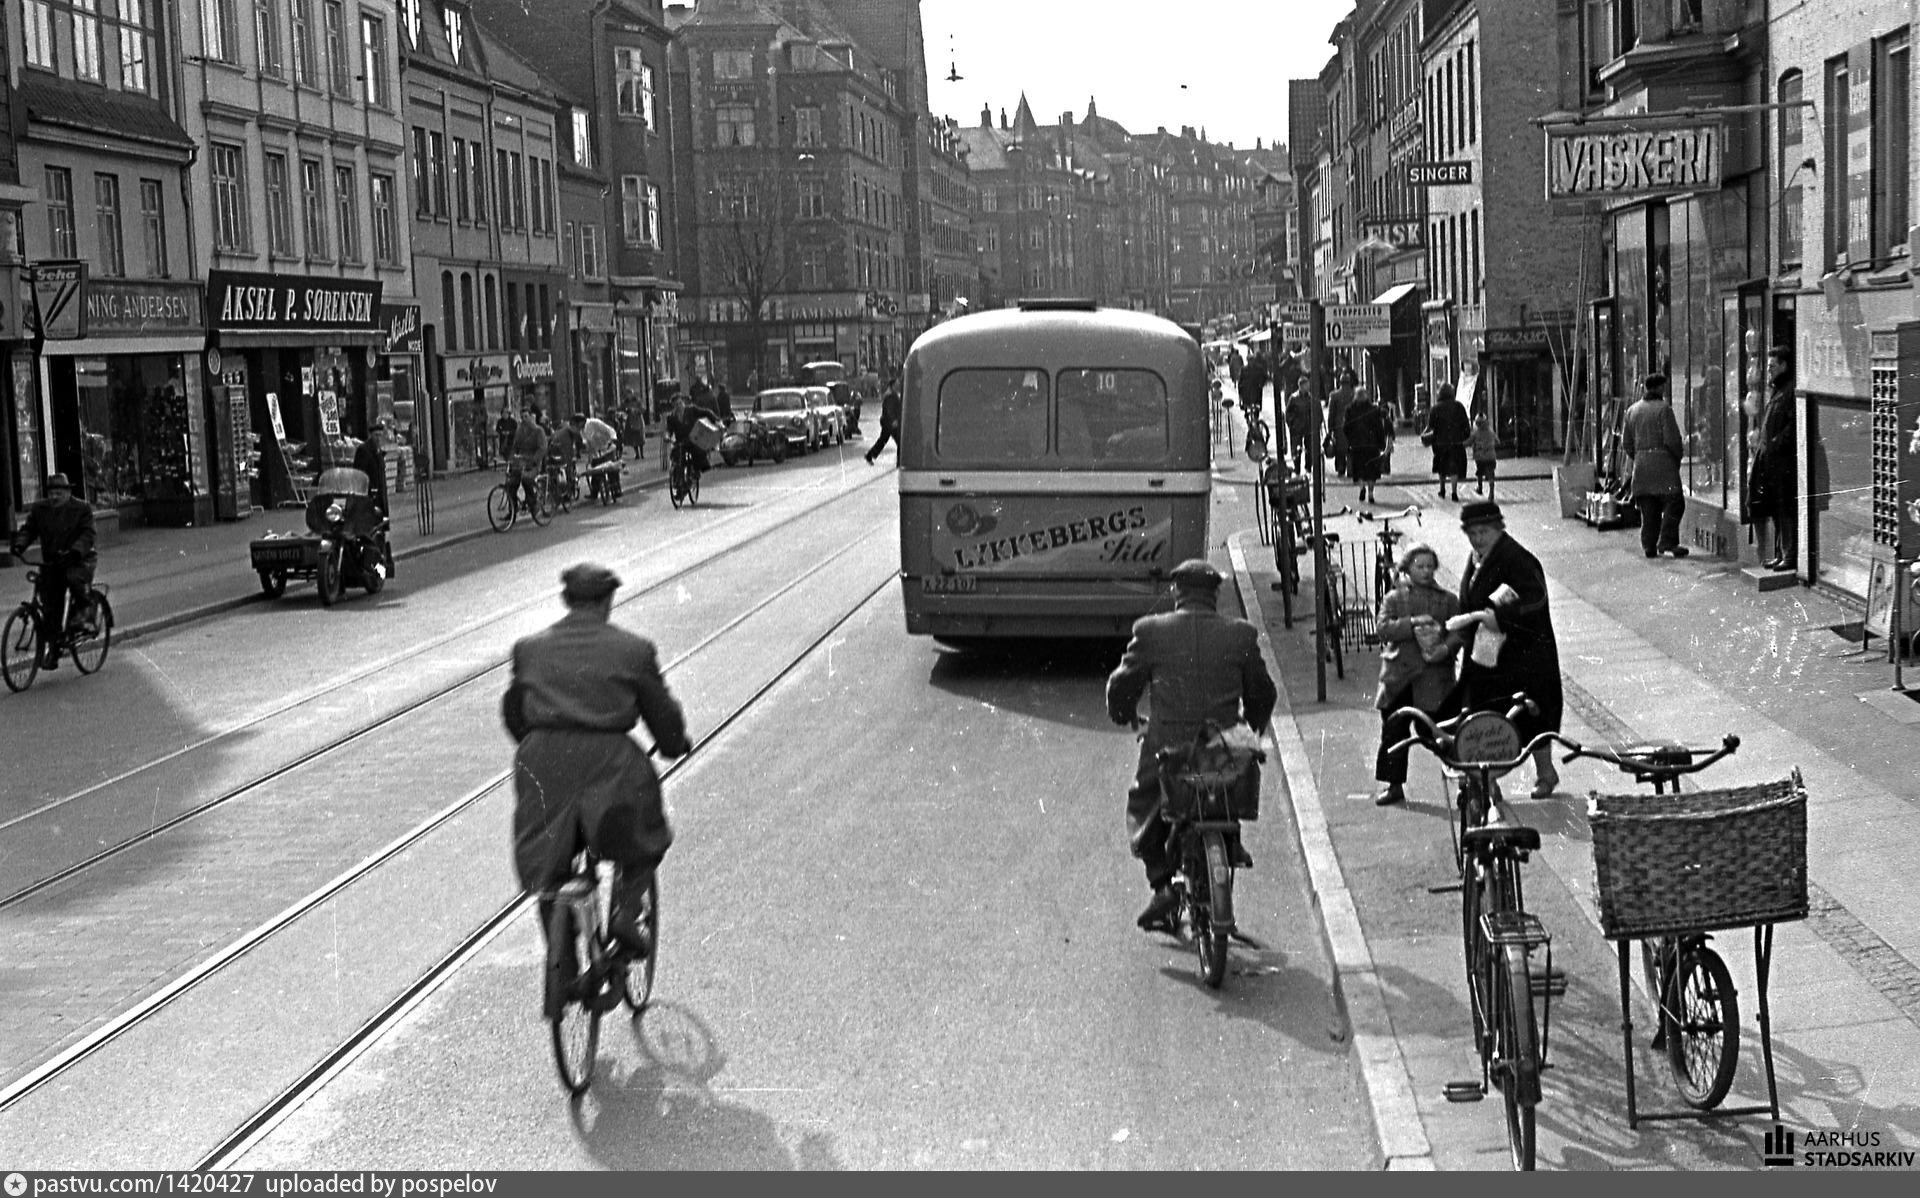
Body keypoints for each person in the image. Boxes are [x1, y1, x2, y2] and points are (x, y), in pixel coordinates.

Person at [503, 564, 689, 998]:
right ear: (608, 601)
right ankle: (627, 915)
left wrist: (538, 744)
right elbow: (661, 715)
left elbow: (515, 714)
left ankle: (563, 969)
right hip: (610, 765)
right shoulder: (633, 650)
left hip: (545, 764)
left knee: (547, 870)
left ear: (567, 600)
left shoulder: (529, 650)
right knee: (644, 837)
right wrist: (674, 743)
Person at [1106, 559, 1279, 930]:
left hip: (1169, 748)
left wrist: (1126, 715)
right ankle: (1230, 841)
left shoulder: (1151, 631)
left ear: (1177, 591)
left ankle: (1161, 885)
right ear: (1214, 593)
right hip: (1221, 745)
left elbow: (1121, 685)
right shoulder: (1241, 634)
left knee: (1143, 803)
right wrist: (1251, 729)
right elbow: (1264, 693)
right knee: (1227, 784)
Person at [1443, 502, 1564, 798]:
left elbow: (1535, 598)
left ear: (1498, 529)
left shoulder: (1517, 558)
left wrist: (1500, 617)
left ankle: (1546, 773)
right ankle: (1487, 783)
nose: (1477, 539)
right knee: (1484, 717)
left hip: (1524, 655)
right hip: (1487, 654)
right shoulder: (1478, 558)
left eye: (1483, 532)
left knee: (1532, 714)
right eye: (1472, 533)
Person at [1372, 543, 1462, 805]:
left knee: (1441, 734)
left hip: (1433, 678)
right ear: (1407, 568)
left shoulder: (1448, 600)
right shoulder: (1394, 598)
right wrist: (1411, 623)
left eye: (1430, 566)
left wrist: (1445, 649)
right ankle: (1394, 785)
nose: (1425, 571)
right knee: (1393, 732)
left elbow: (1459, 631)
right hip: (1398, 679)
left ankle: (1467, 782)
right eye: (1419, 566)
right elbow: (1383, 628)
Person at [8, 473, 98, 671]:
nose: (54, 497)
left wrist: (75, 551)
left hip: (79, 560)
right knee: (50, 605)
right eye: (51, 493)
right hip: (53, 563)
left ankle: (85, 616)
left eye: (59, 493)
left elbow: (88, 533)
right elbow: (29, 529)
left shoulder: (81, 508)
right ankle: (53, 649)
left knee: (75, 580)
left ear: (67, 492)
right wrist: (20, 545)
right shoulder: (40, 509)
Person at [1621, 372, 1689, 558]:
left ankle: (1649, 545)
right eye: (1663, 387)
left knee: (1648, 508)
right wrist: (1677, 457)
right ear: (1659, 387)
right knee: (1674, 502)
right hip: (1664, 465)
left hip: (1641, 467)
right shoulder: (1664, 409)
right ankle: (1667, 541)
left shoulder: (1632, 410)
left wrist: (1639, 456)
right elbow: (1672, 440)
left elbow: (1626, 443)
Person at [1749, 347, 1796, 569]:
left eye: (1772, 366)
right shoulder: (1777, 391)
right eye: (1768, 367)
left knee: (1784, 509)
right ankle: (1780, 552)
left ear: (1784, 365)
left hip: (1782, 461)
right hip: (1771, 460)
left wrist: (1776, 444)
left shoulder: (1789, 391)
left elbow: (1792, 426)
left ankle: (1788, 554)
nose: (1769, 370)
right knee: (1777, 508)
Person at [1344, 387, 1392, 504]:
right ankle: (1370, 493)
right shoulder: (1373, 409)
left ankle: (1362, 487)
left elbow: (1346, 428)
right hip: (1372, 445)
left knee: (1358, 469)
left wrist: (1350, 440)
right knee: (1372, 471)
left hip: (1357, 445)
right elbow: (1379, 428)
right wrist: (1381, 443)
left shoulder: (1350, 410)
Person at [1424, 382, 1471, 501]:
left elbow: (1431, 426)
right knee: (1454, 467)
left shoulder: (1435, 408)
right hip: (1456, 442)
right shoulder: (1459, 406)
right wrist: (1464, 437)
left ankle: (1442, 489)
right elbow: (1466, 425)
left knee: (1442, 467)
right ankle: (1454, 492)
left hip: (1440, 443)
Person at [508, 404, 547, 514]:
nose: (524, 419)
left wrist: (534, 460)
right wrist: (512, 458)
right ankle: (512, 510)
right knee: (511, 484)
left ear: (531, 417)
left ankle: (533, 504)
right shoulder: (519, 431)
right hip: (521, 463)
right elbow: (515, 446)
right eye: (522, 417)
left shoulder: (538, 431)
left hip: (533, 464)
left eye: (526, 416)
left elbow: (542, 448)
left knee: (526, 479)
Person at [579, 411, 622, 503]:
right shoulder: (582, 430)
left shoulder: (594, 422)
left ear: (581, 421)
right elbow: (587, 443)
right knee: (595, 470)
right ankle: (594, 492)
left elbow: (609, 430)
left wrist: (613, 439)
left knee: (611, 468)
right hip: (596, 451)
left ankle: (616, 489)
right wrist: (589, 454)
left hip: (607, 446)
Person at [664, 394, 711, 476]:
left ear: (683, 402)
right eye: (676, 405)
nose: (679, 406)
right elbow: (669, 430)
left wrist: (717, 420)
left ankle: (696, 470)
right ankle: (677, 475)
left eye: (680, 403)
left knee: (697, 452)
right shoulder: (671, 417)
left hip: (693, 439)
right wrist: (667, 436)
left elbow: (706, 412)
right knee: (676, 454)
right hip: (680, 441)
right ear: (674, 406)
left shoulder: (691, 410)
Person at [350, 424, 390, 516]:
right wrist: (370, 489)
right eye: (376, 435)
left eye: (380, 435)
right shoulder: (363, 450)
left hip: (380, 494)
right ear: (371, 435)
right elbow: (359, 473)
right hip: (369, 494)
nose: (378, 438)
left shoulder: (379, 450)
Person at [864, 375, 902, 464]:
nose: (898, 385)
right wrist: (894, 420)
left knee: (882, 440)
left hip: (887, 422)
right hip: (890, 423)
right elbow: (889, 409)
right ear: (892, 385)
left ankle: (869, 455)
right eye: (897, 383)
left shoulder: (892, 393)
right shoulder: (890, 395)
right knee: (900, 441)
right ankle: (900, 461)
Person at [1326, 368, 1357, 477]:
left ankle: (1341, 468)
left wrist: (1330, 429)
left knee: (1340, 448)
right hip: (1353, 425)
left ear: (1340, 382)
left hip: (1339, 426)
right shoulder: (1355, 394)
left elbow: (1331, 413)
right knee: (1351, 448)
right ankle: (1351, 469)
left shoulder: (1334, 395)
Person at [1283, 379, 1314, 472]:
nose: (1308, 387)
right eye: (1306, 385)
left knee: (1309, 448)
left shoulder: (1311, 398)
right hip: (1297, 428)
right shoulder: (1294, 398)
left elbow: (1317, 411)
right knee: (1296, 448)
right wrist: (1291, 424)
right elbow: (1288, 413)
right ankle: (1297, 467)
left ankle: (1308, 466)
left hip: (1308, 427)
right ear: (1301, 386)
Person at [1470, 413, 1499, 499]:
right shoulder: (1491, 431)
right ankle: (1491, 493)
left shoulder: (1475, 432)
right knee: (1491, 475)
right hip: (1491, 456)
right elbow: (1498, 441)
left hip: (1480, 457)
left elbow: (1469, 441)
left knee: (1479, 472)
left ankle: (1480, 488)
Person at [1236, 351, 1269, 423]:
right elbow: (1240, 380)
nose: (1251, 362)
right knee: (1246, 405)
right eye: (1249, 360)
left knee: (1257, 406)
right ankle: (1247, 415)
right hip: (1246, 391)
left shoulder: (1259, 368)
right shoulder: (1244, 369)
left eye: (1252, 360)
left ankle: (1256, 419)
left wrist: (1261, 384)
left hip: (1256, 390)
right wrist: (1240, 390)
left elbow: (1265, 376)